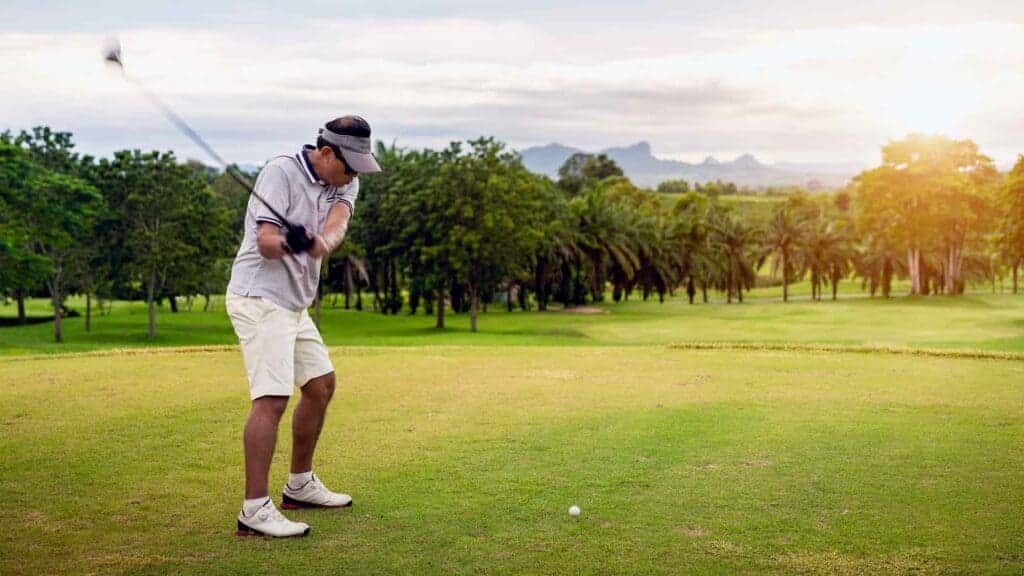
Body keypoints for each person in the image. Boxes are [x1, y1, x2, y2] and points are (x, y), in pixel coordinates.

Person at [225, 116, 381, 538]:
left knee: (320, 385)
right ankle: (254, 509)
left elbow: (338, 224)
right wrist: (295, 240)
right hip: (259, 297)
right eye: (348, 165)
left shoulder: (347, 179)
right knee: (271, 400)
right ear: (326, 153)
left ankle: (299, 484)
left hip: (294, 303)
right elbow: (266, 244)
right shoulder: (280, 172)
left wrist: (321, 242)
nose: (353, 174)